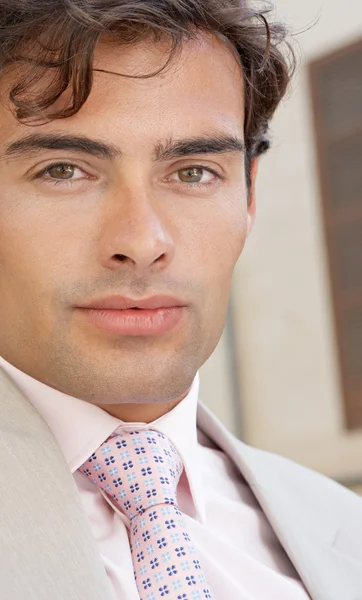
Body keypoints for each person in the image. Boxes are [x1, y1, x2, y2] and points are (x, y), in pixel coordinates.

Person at [0, 1, 361, 599]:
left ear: (248, 200)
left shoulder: (340, 526)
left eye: (193, 173)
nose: (142, 242)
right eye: (63, 170)